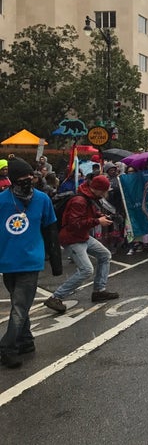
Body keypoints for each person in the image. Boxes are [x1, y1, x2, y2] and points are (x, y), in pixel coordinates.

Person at [0, 158, 62, 368]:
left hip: (30, 261)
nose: (28, 180)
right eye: (22, 177)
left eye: (30, 176)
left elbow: (51, 230)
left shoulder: (42, 199)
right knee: (21, 304)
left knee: (20, 305)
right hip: (8, 261)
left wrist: (56, 262)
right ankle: (23, 341)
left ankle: (8, 345)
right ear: (13, 179)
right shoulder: (2, 201)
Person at [43, 175, 118, 314]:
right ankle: (56, 297)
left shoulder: (88, 197)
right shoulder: (80, 200)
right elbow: (74, 224)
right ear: (99, 190)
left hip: (82, 236)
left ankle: (99, 290)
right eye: (105, 190)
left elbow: (89, 214)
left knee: (104, 255)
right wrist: (97, 221)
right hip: (72, 239)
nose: (106, 194)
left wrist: (100, 216)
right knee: (86, 270)